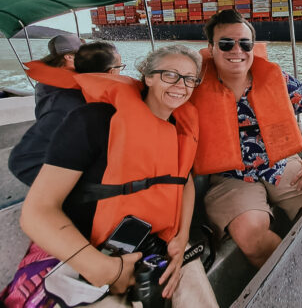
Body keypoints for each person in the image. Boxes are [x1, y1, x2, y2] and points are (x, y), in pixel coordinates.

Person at [2, 45, 218, 307]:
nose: (180, 85)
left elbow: (182, 182)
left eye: (189, 78)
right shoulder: (92, 121)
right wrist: (105, 268)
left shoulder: (181, 128)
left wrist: (181, 237)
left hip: (155, 245)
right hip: (85, 249)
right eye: (169, 74)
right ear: (148, 77)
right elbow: (37, 212)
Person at [190, 9, 302, 268]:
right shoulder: (194, 83)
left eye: (244, 43)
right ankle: (294, 275)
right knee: (251, 236)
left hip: (281, 164)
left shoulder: (275, 78)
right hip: (230, 177)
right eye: (226, 44)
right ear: (211, 47)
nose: (237, 50)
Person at [8, 39, 123, 185]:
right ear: (69, 57)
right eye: (83, 55)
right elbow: (25, 160)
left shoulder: (53, 84)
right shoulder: (68, 101)